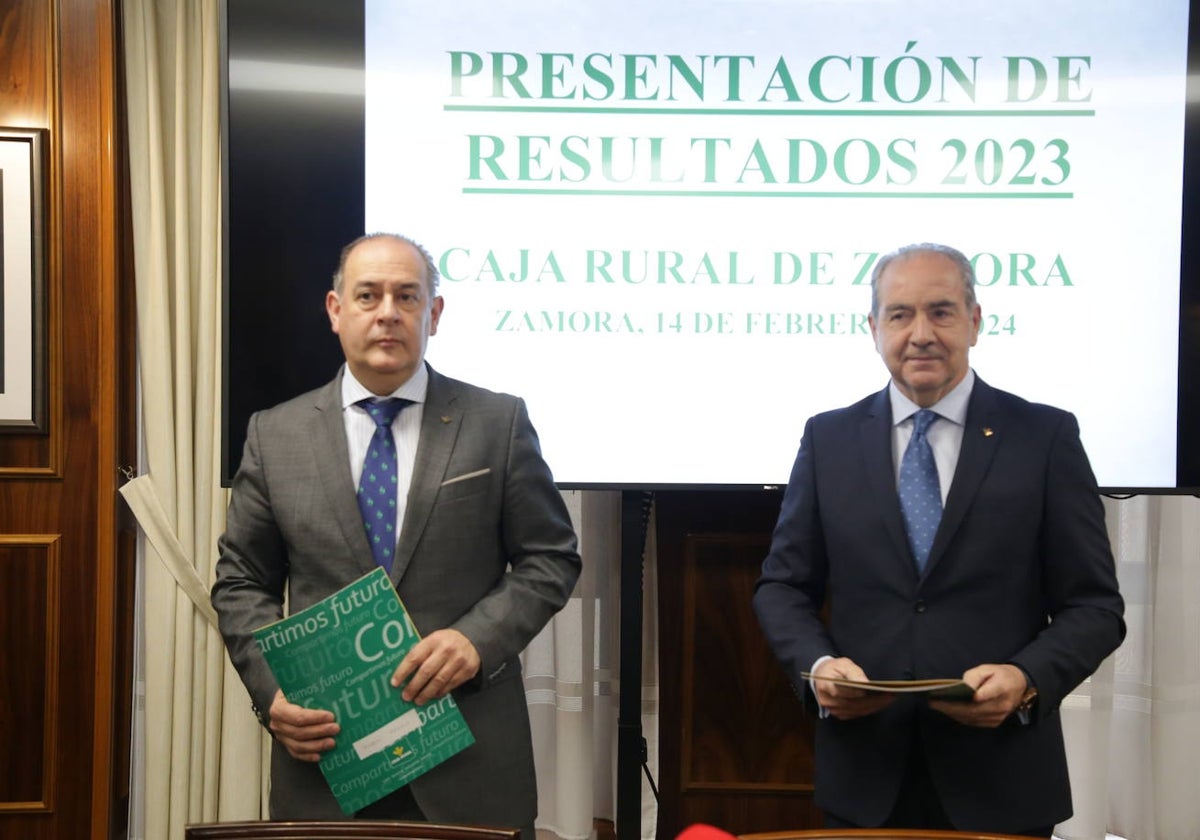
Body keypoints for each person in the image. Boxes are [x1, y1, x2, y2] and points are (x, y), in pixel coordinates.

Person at [212, 232, 581, 839]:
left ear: (433, 313)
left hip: (472, 762)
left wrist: (475, 640)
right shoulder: (274, 435)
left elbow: (551, 559)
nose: (388, 312)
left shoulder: (497, 422)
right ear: (336, 311)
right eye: (368, 295)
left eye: (407, 296)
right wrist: (272, 690)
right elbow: (241, 581)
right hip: (328, 764)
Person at [752, 242, 1125, 837]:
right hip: (864, 778)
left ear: (975, 321)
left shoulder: (1044, 436)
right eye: (899, 314)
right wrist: (818, 666)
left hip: (1004, 780)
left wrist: (1027, 680)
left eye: (941, 311)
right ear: (873, 328)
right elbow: (782, 587)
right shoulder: (828, 439)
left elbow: (1096, 607)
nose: (920, 333)